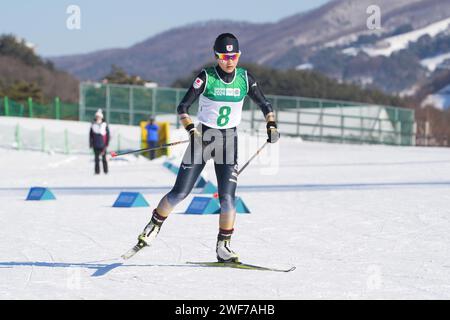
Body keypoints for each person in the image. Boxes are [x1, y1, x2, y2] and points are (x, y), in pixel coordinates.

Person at [133, 33, 279, 262]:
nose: (229, 60)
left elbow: (265, 104)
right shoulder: (206, 77)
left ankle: (224, 247)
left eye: (234, 56)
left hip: (228, 142)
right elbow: (183, 107)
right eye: (224, 56)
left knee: (228, 199)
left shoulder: (245, 78)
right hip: (203, 139)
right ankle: (153, 226)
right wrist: (191, 130)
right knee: (180, 192)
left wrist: (271, 124)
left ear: (239, 56)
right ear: (216, 56)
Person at [89, 109, 110, 174]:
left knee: (104, 159)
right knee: (96, 159)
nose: (98, 118)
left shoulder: (104, 125)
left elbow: (108, 135)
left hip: (103, 144)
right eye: (97, 116)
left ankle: (105, 171)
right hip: (95, 144)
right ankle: (97, 171)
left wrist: (106, 144)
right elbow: (91, 135)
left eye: (99, 116)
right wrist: (91, 143)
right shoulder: (93, 125)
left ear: (101, 117)